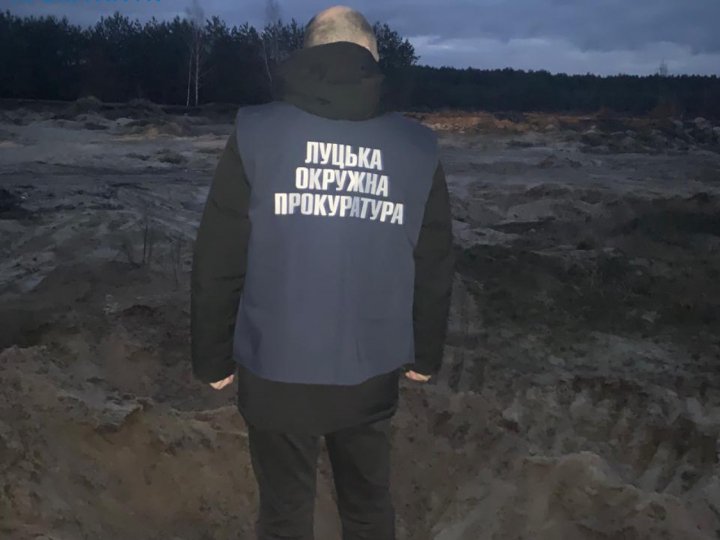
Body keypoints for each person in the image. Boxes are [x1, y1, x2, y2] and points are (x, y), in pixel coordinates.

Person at [190, 5, 454, 539]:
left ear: (308, 54)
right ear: (372, 57)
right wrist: (425, 354)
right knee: (368, 508)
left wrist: (212, 357)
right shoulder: (416, 146)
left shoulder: (256, 131)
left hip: (274, 369)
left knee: (283, 515)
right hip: (369, 371)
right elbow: (433, 262)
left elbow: (219, 255)